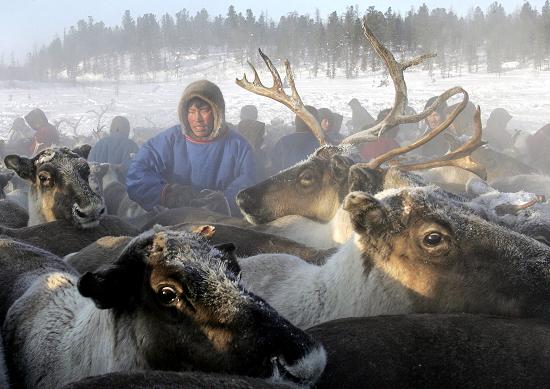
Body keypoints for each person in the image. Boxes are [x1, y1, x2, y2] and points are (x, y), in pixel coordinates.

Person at [126, 80, 256, 216]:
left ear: (217, 111)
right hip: (174, 222)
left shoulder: (238, 145)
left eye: (204, 110)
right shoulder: (171, 140)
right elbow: (137, 173)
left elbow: (250, 181)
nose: (197, 118)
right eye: (191, 111)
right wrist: (167, 193)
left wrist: (225, 200)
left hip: (223, 222)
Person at [269, 105, 321, 173]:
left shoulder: (282, 142)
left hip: (286, 182)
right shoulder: (322, 143)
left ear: (297, 121)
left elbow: (274, 170)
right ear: (316, 122)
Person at [236, 105, 268, 180]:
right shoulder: (260, 129)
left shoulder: (233, 132)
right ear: (256, 116)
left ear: (241, 117)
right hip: (258, 171)